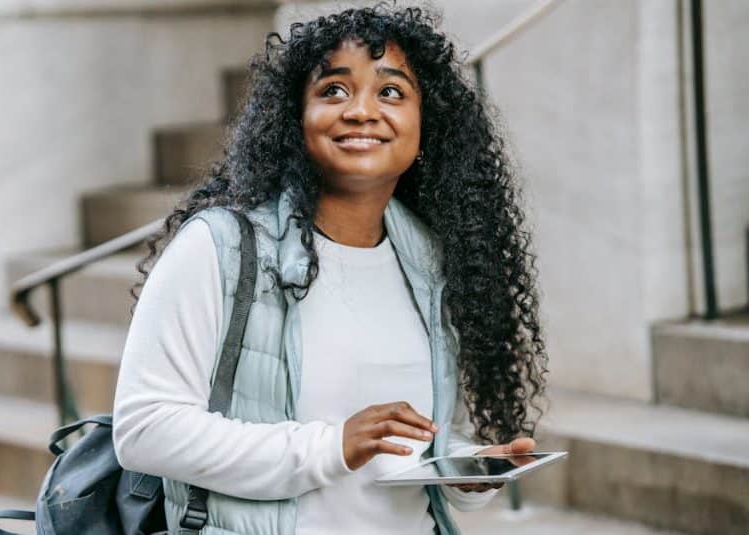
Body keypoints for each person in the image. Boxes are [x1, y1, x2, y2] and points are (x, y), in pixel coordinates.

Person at [113, 3, 548, 534]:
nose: (362, 111)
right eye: (333, 91)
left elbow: (422, 438)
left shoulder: (432, 262)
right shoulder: (219, 248)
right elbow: (144, 430)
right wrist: (330, 446)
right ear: (295, 120)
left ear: (425, 122)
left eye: (391, 92)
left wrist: (466, 469)